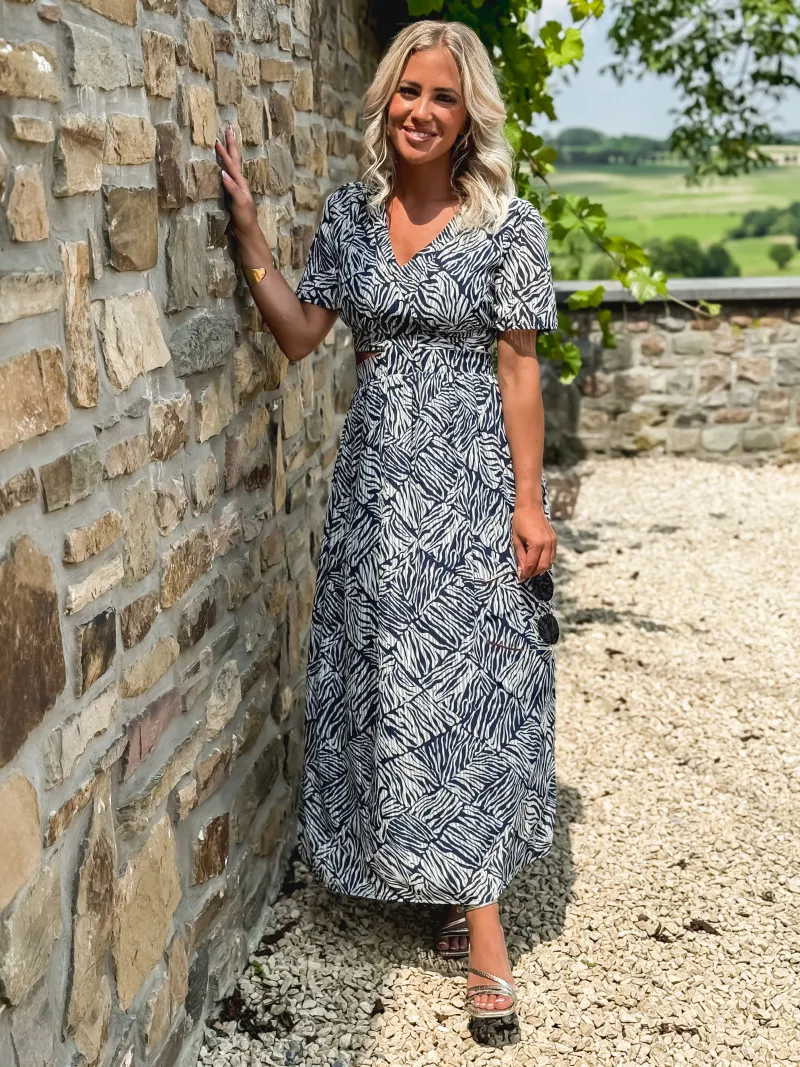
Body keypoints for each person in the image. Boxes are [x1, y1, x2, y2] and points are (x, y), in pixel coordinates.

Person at [216, 18, 560, 1023]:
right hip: (374, 490)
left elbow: (517, 365)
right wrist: (246, 238)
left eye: (441, 98)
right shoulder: (353, 218)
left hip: (471, 487)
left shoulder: (506, 224)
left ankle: (484, 929)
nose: (419, 111)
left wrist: (529, 500)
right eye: (407, 92)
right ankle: (430, 871)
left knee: (474, 683)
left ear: (466, 119)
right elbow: (298, 333)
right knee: (394, 681)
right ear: (386, 100)